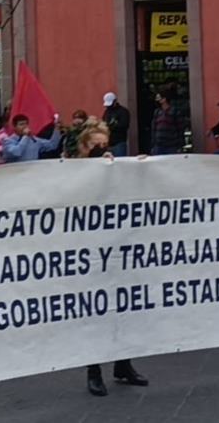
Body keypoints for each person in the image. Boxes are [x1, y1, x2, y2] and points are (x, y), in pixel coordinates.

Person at [75, 122, 150, 395]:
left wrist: (140, 168)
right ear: (84, 147)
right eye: (95, 146)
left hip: (118, 251)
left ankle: (123, 364)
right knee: (95, 314)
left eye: (105, 145)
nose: (101, 151)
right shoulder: (70, 172)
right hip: (89, 256)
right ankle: (93, 371)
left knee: (123, 310)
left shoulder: (116, 169)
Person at [101, 92, 131, 157]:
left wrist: (111, 126)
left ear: (115, 101)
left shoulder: (123, 111)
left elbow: (124, 125)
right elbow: (103, 122)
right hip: (108, 143)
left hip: (119, 143)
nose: (108, 107)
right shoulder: (107, 112)